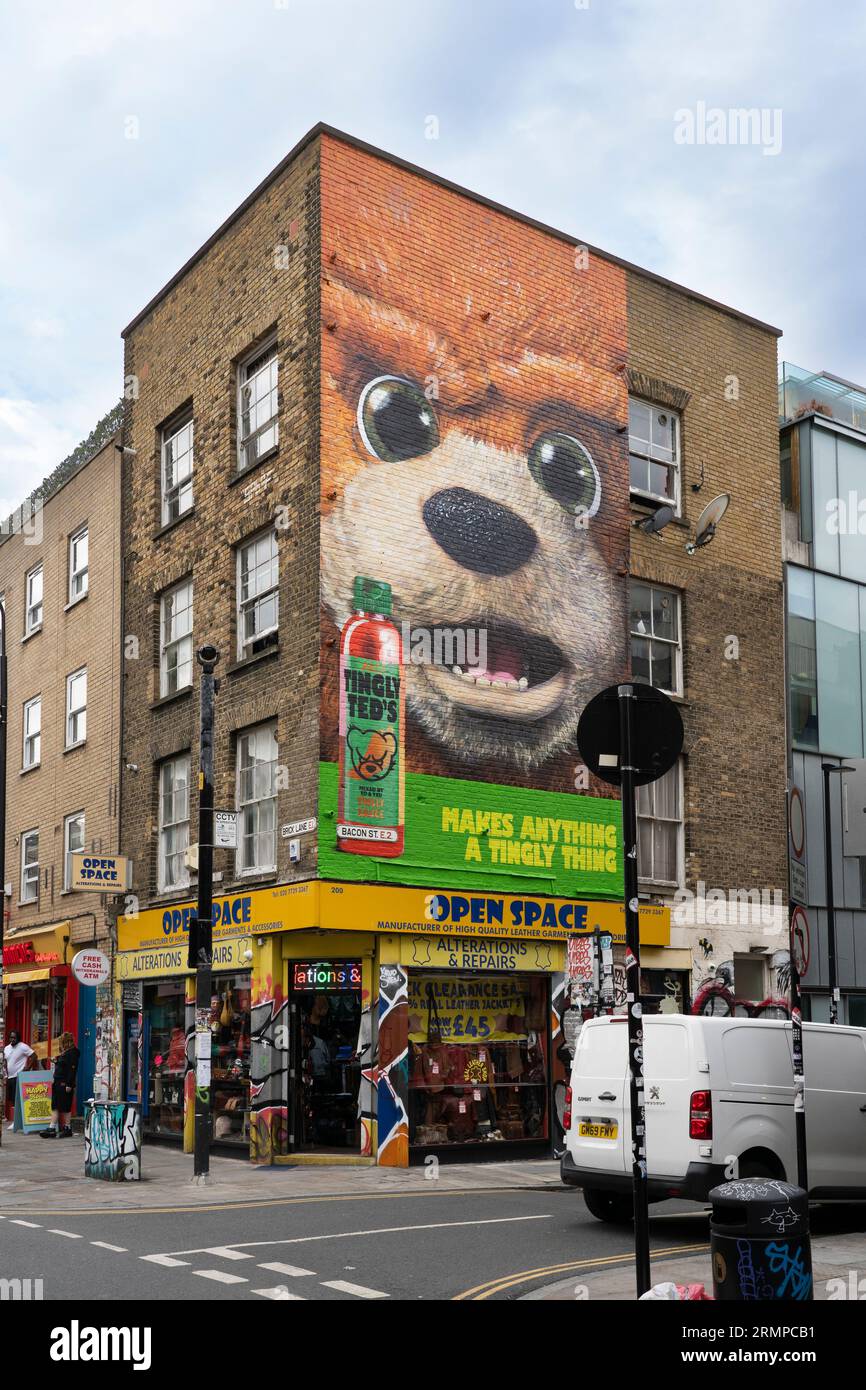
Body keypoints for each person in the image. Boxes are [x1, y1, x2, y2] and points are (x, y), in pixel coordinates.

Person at [39, 1032, 80, 1138]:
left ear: (66, 1042)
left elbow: (72, 1069)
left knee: (64, 1106)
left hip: (64, 1083)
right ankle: (54, 1128)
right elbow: (64, 1066)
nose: (60, 1045)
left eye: (62, 1042)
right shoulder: (67, 1052)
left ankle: (64, 1128)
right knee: (56, 1105)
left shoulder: (72, 1053)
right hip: (58, 1082)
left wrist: (69, 1084)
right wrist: (56, 1061)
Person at [4, 1030, 36, 1127]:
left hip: (18, 1076)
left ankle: (16, 1122)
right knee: (12, 1100)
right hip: (10, 1077)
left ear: (18, 1038)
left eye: (14, 1038)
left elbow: (34, 1056)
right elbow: (6, 1061)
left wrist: (27, 1068)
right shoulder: (7, 1048)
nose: (12, 1040)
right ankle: (17, 1121)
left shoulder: (23, 1046)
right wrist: (5, 1072)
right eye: (11, 1037)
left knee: (18, 1099)